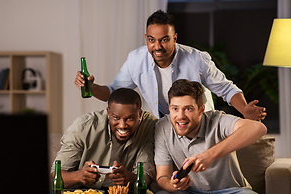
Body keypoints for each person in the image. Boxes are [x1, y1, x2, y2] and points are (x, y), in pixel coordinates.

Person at [74, 10, 266, 121]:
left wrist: (244, 110)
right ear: (146, 39)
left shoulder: (197, 59)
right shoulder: (136, 59)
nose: (157, 46)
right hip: (165, 124)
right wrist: (91, 88)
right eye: (152, 40)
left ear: (175, 38)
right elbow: (114, 92)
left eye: (164, 40)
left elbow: (225, 88)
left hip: (199, 123)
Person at [150, 79, 268, 194]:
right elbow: (162, 177)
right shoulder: (162, 128)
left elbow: (258, 128)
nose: (180, 116)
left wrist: (209, 155)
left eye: (188, 109)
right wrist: (172, 185)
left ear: (201, 110)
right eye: (175, 109)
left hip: (230, 191)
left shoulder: (217, 120)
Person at [51, 88, 157, 194]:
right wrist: (80, 176)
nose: (122, 125)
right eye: (116, 117)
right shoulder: (84, 126)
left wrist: (127, 177)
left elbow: (145, 178)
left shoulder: (149, 126)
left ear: (140, 114)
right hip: (81, 192)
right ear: (108, 112)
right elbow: (56, 176)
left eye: (130, 118)